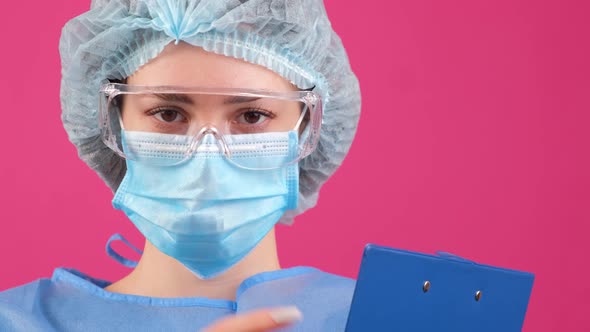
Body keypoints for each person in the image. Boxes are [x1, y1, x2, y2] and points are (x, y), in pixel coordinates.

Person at [0, 0, 360, 331]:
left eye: (252, 116)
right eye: (168, 114)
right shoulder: (18, 322)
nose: (207, 156)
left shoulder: (379, 317)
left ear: (308, 128)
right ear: (113, 121)